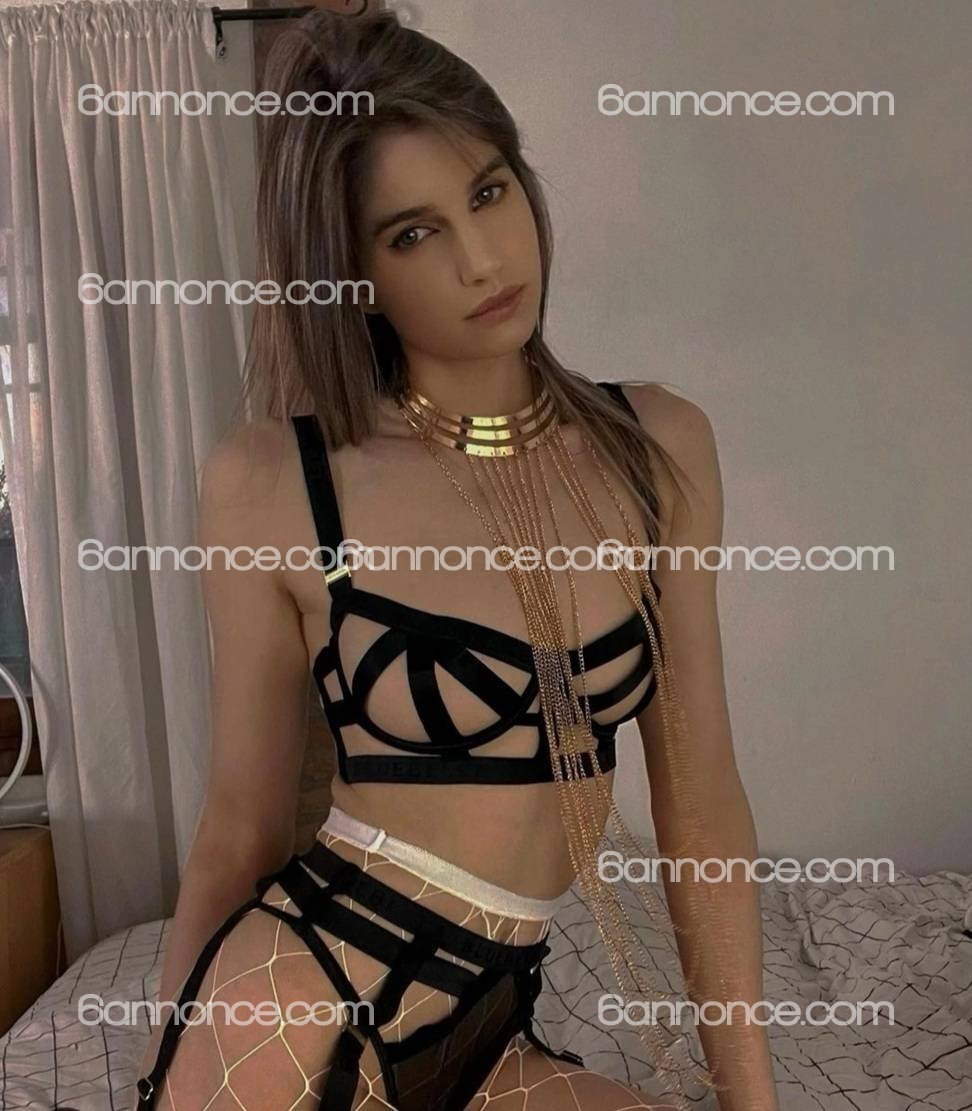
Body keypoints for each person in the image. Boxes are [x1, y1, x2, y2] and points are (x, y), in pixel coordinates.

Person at [133, 8, 778, 1110]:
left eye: (488, 192)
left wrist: (750, 1097)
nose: (481, 258)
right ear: (352, 273)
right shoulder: (276, 481)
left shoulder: (658, 448)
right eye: (412, 234)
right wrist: (164, 1064)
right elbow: (238, 827)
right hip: (290, 1004)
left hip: (482, 1020)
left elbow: (703, 806)